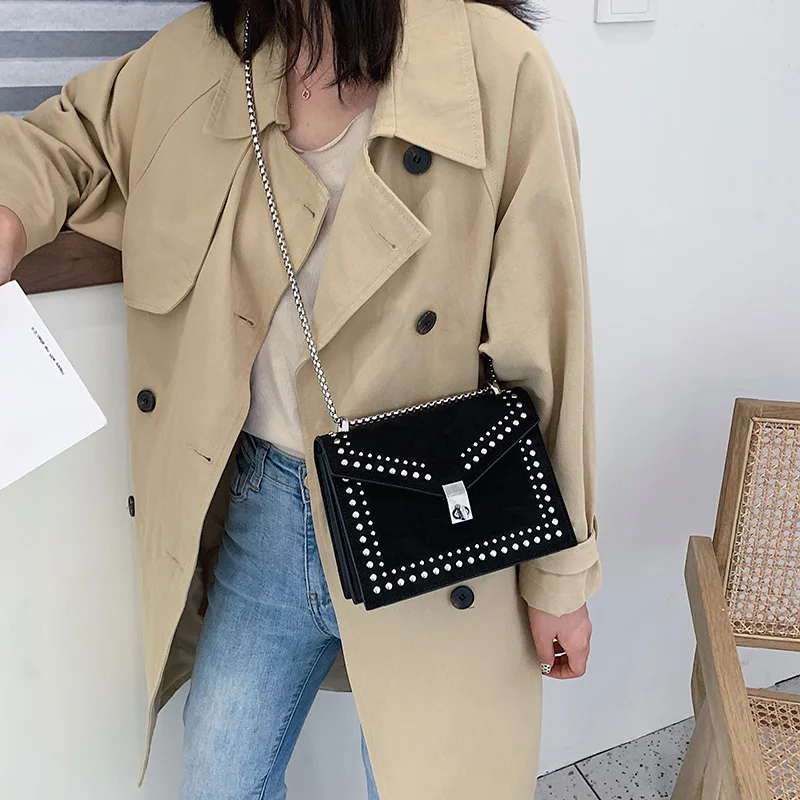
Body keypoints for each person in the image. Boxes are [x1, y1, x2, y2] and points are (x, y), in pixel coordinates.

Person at [0, 0, 602, 797]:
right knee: (218, 780)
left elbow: (551, 343)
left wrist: (560, 579)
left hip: (438, 518)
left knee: (434, 781)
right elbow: (67, 137)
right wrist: (12, 209)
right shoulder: (205, 55)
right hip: (270, 509)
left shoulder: (495, 67)